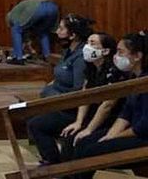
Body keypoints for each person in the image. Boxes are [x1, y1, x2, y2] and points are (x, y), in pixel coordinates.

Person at [27, 32, 122, 165]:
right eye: (87, 42)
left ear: (105, 51)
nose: (87, 47)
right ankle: (52, 164)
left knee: (71, 138)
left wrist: (88, 129)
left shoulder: (114, 71)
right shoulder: (90, 67)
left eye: (93, 43)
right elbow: (84, 96)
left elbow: (107, 106)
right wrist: (78, 121)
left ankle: (66, 170)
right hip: (84, 114)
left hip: (103, 118)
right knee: (36, 123)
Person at [68, 32, 148, 179]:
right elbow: (125, 114)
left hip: (142, 136)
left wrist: (115, 137)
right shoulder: (133, 77)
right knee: (83, 142)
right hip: (132, 130)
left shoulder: (145, 83)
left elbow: (143, 126)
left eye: (121, 52)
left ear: (138, 56)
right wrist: (110, 135)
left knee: (90, 152)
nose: (116, 56)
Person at [39, 14, 92, 98]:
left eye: (61, 29)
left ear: (72, 35)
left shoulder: (81, 56)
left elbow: (78, 89)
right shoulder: (68, 51)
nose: (57, 32)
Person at [6, 0, 60, 65]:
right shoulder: (21, 12)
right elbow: (26, 29)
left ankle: (18, 58)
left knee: (16, 29)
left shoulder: (12, 15)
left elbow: (18, 30)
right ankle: (47, 56)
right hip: (53, 7)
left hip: (38, 8)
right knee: (43, 32)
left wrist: (16, 52)